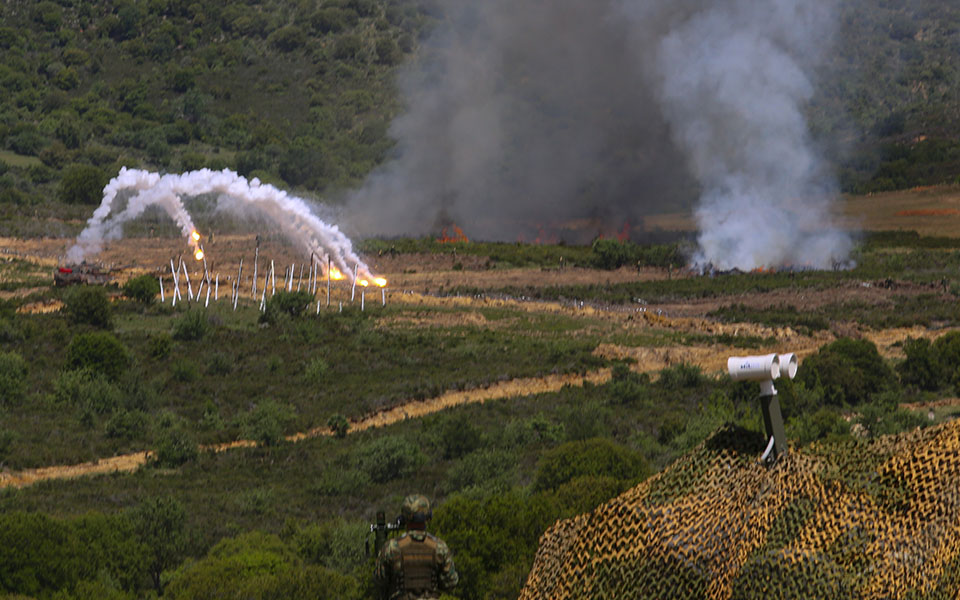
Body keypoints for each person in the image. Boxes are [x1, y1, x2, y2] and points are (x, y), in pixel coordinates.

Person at [374, 494, 458, 600]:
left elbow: (380, 580)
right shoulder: (439, 547)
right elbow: (450, 582)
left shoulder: (392, 547)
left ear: (404, 517)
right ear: (428, 516)